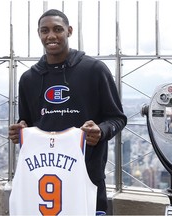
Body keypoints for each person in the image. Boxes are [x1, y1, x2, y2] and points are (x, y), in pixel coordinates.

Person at [8, 9, 127, 214]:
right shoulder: (29, 79)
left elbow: (117, 118)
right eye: (44, 30)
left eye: (58, 29)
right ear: (38, 34)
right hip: (42, 177)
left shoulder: (94, 70)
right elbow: (27, 121)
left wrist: (101, 131)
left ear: (69, 31)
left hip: (88, 175)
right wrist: (20, 130)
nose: (51, 36)